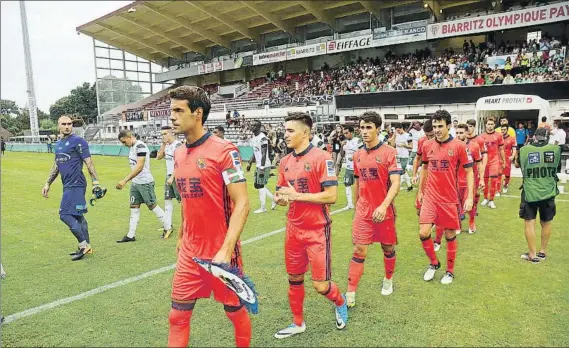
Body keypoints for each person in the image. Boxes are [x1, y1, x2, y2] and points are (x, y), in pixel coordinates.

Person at [167, 86, 252, 347]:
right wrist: (182, 233)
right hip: (190, 252)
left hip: (221, 252)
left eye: (178, 111)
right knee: (177, 316)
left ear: (198, 113)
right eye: (172, 110)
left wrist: (227, 250)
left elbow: (243, 203)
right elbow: (187, 199)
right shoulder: (179, 152)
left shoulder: (225, 151)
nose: (172, 117)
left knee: (235, 313)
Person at [273, 112, 348, 339]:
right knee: (294, 278)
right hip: (293, 230)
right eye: (284, 130)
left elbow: (331, 196)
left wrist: (297, 196)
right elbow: (281, 192)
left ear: (305, 132)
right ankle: (298, 323)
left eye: (290, 131)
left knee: (320, 286)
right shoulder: (285, 162)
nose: (285, 135)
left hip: (317, 230)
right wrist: (281, 198)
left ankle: (340, 300)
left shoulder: (322, 158)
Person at [346, 111, 401, 306]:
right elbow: (357, 182)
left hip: (383, 211)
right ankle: (350, 293)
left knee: (388, 247)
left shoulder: (389, 153)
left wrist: (384, 206)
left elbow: (396, 183)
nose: (364, 131)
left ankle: (388, 279)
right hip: (363, 210)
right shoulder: (358, 155)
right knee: (359, 249)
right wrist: (356, 206)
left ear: (378, 129)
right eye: (362, 127)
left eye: (369, 127)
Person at [417, 110, 474, 285]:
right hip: (430, 197)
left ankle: (449, 272)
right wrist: (420, 190)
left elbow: (470, 170)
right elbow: (425, 168)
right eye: (434, 126)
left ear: (449, 126)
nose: (437, 130)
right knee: (423, 232)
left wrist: (470, 196)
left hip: (449, 198)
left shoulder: (459, 146)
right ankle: (434, 263)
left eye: (440, 126)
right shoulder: (427, 145)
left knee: (449, 235)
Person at [41, 116, 101, 261]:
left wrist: (96, 182)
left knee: (64, 214)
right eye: (64, 124)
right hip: (67, 184)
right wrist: (48, 183)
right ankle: (88, 246)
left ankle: (83, 246)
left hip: (76, 184)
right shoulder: (59, 144)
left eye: (69, 124)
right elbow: (57, 165)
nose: (67, 126)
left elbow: (89, 162)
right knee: (78, 216)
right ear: (58, 126)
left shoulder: (78, 141)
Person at [515, 128, 560, 263]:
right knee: (546, 222)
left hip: (530, 191)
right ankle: (542, 252)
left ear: (535, 136)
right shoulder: (555, 149)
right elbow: (556, 167)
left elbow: (517, 165)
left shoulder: (524, 150)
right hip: (548, 191)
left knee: (530, 222)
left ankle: (532, 254)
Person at [115, 130, 167, 243]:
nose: (124, 145)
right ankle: (130, 235)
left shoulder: (140, 146)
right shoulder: (132, 148)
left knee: (152, 206)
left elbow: (139, 167)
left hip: (145, 182)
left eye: (124, 142)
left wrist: (125, 180)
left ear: (129, 137)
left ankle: (168, 227)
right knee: (134, 208)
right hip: (136, 183)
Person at [156, 126, 182, 238]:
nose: (163, 136)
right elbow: (158, 157)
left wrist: (172, 176)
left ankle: (188, 225)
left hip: (178, 176)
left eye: (165, 133)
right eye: (162, 134)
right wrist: (163, 144)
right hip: (169, 176)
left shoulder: (178, 145)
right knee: (167, 200)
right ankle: (168, 225)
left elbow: (180, 163)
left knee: (184, 202)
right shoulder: (166, 146)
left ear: (172, 133)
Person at [247, 120, 276, 213]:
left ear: (259, 127)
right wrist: (250, 163)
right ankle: (274, 199)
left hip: (264, 165)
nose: (251, 127)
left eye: (254, 125)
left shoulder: (263, 138)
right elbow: (255, 152)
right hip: (259, 165)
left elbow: (264, 154)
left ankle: (263, 207)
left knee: (260, 185)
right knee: (257, 185)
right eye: (251, 125)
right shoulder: (253, 138)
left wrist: (262, 167)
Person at [480, 117, 505, 209]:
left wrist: (503, 161)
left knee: (494, 181)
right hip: (485, 161)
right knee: (485, 181)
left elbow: (501, 149)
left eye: (491, 124)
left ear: (494, 125)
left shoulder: (498, 136)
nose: (490, 126)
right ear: (486, 125)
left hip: (494, 161)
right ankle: (485, 198)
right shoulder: (481, 136)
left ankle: (491, 200)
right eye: (488, 124)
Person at [342, 126, 361, 210]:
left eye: (346, 133)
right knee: (347, 183)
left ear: (351, 132)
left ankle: (360, 203)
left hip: (357, 168)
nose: (345, 135)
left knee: (360, 186)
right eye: (344, 133)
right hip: (348, 167)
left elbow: (363, 153)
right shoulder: (345, 142)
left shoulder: (358, 141)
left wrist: (354, 158)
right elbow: (343, 154)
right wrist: (342, 146)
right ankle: (349, 204)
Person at [394, 124, 413, 191]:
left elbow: (411, 146)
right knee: (403, 171)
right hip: (397, 156)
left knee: (400, 171)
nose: (398, 132)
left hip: (404, 156)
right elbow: (392, 144)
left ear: (402, 128)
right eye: (397, 131)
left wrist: (403, 145)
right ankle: (410, 186)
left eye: (399, 130)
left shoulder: (408, 136)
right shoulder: (396, 135)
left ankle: (397, 186)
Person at [500, 125, 517, 194]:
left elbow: (514, 148)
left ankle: (505, 185)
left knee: (507, 174)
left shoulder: (512, 139)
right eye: (502, 129)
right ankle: (497, 187)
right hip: (499, 158)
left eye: (504, 129)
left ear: (507, 130)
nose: (503, 131)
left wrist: (512, 156)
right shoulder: (499, 138)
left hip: (507, 159)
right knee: (498, 174)